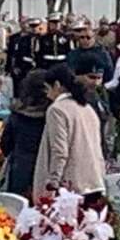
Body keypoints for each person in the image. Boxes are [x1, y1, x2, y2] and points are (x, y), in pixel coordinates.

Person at [33, 64, 106, 200]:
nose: (47, 94)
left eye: (47, 88)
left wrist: (53, 182)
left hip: (70, 186)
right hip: (94, 181)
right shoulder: (87, 108)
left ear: (57, 85)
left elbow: (60, 151)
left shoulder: (57, 110)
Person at [0, 70, 49, 197]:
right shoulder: (52, 115)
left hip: (20, 169)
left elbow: (5, 145)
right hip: (46, 169)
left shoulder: (17, 115)